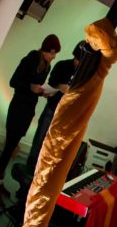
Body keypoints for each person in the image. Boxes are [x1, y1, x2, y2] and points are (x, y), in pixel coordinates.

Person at [0, 34, 60, 206]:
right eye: (52, 53)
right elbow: (14, 81)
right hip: (18, 109)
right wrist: (30, 87)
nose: (54, 56)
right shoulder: (29, 60)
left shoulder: (47, 66)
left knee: (12, 147)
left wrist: (43, 92)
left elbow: (36, 88)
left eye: (55, 54)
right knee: (8, 149)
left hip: (28, 111)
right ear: (46, 50)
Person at [25, 41, 82, 170]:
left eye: (81, 61)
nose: (78, 63)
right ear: (74, 56)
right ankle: (30, 167)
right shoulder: (62, 65)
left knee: (54, 146)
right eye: (77, 59)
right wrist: (60, 86)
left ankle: (43, 171)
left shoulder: (84, 74)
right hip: (52, 109)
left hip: (66, 115)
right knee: (40, 139)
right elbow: (51, 83)